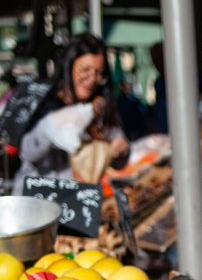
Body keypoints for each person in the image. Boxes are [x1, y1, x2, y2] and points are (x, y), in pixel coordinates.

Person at [13, 33, 130, 194]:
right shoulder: (44, 102)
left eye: (99, 73)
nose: (92, 79)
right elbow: (28, 152)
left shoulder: (101, 106)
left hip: (78, 201)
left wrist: (121, 150)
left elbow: (118, 156)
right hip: (38, 199)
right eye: (85, 70)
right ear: (69, 67)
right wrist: (50, 125)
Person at [149, 43, 202, 134]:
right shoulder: (159, 83)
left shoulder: (192, 76)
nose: (157, 63)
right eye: (155, 59)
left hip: (192, 131)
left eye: (160, 58)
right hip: (168, 132)